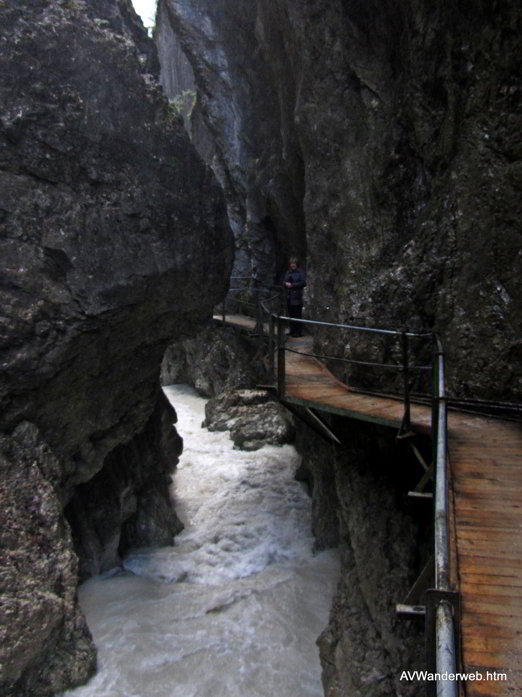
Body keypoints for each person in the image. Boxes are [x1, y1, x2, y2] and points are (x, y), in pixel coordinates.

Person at [283, 257, 306, 337]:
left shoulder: (300, 272)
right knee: (291, 314)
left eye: (294, 263)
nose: (293, 265)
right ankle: (292, 331)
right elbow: (283, 281)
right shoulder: (288, 272)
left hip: (297, 296)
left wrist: (292, 285)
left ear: (297, 264)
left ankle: (298, 332)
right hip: (289, 296)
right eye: (291, 263)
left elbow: (303, 283)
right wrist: (285, 284)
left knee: (297, 314)